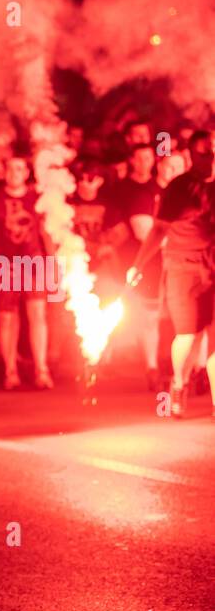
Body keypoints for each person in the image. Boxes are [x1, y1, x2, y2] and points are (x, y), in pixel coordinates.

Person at [128, 130, 215, 418]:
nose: (210, 156)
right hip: (183, 268)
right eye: (204, 151)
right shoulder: (179, 188)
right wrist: (138, 265)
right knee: (189, 336)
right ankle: (179, 382)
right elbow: (159, 230)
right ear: (191, 155)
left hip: (213, 268)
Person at [0, 153, 54, 390]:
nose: (14, 173)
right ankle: (10, 371)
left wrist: (53, 264)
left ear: (26, 173)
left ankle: (41, 369)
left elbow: (47, 233)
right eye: (10, 169)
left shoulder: (38, 198)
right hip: (4, 265)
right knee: (7, 319)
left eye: (19, 169)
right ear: (4, 172)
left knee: (38, 315)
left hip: (34, 263)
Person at [103, 144, 161, 390]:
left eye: (149, 157)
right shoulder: (121, 189)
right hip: (124, 260)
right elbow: (115, 226)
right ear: (132, 160)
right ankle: (102, 359)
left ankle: (152, 368)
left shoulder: (157, 188)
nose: (145, 162)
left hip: (152, 262)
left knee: (150, 317)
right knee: (115, 311)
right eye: (140, 158)